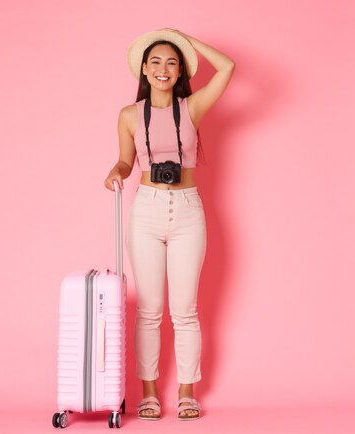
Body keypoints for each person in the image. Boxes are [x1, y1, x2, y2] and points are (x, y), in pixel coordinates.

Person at [104, 28, 234, 421]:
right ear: (144, 69)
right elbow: (127, 161)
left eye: (171, 62)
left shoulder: (191, 108)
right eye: (156, 61)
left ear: (180, 72)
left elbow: (227, 67)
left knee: (185, 310)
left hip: (188, 210)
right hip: (147, 209)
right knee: (149, 310)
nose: (163, 68)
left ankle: (187, 393)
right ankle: (149, 393)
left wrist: (187, 41)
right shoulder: (129, 115)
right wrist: (117, 170)